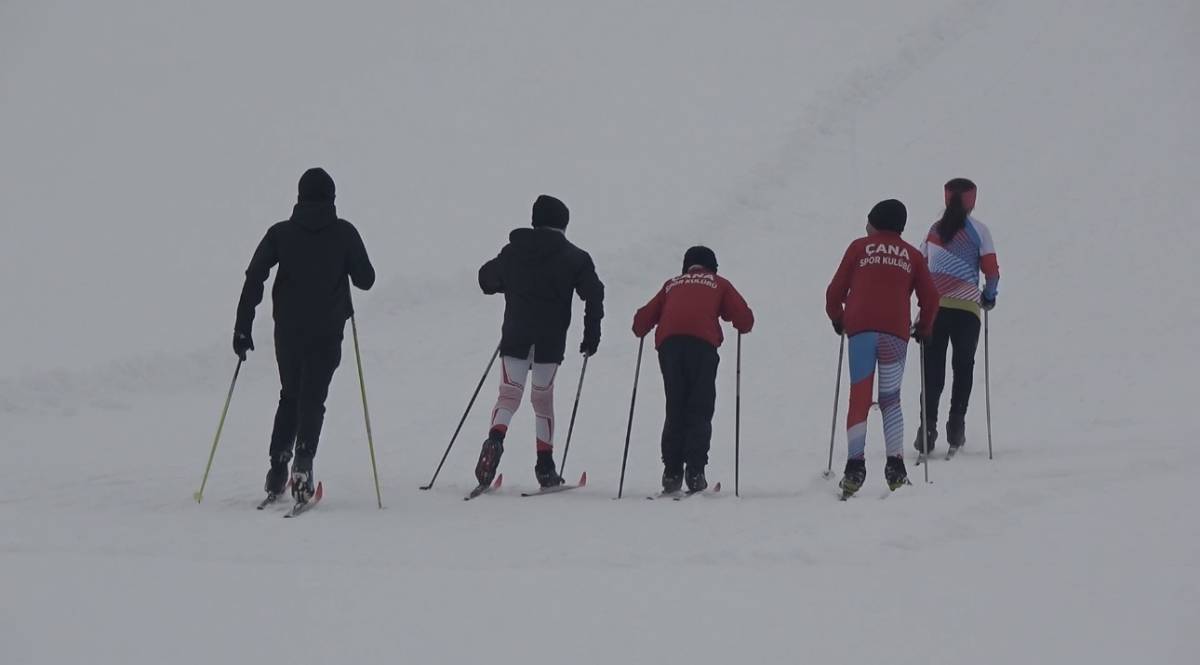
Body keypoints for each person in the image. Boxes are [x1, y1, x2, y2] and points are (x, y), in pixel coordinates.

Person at [233, 167, 375, 503]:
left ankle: (277, 469)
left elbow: (255, 275)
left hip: (288, 331)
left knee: (290, 395)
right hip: (327, 330)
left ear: (299, 197)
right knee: (313, 398)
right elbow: (365, 279)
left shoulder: (280, 233)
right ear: (332, 198)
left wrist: (243, 325)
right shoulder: (344, 233)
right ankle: (303, 466)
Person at [476, 195, 605, 489]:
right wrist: (591, 335)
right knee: (542, 401)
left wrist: (507, 283)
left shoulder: (513, 251)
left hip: (515, 335)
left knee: (508, 395)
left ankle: (495, 439)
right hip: (550, 340)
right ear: (562, 224)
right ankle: (545, 467)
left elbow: (486, 279)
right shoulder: (575, 257)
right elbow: (594, 293)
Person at [825, 199, 939, 496]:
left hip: (861, 329)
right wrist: (924, 327)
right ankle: (895, 467)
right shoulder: (913, 256)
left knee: (859, 397)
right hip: (895, 333)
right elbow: (931, 298)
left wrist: (839, 319)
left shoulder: (859, 248)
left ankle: (854, 467)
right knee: (891, 400)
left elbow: (834, 292)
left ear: (875, 223)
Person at [632, 246, 754, 493]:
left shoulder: (671, 284)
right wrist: (739, 324)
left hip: (669, 345)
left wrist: (642, 325)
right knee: (700, 406)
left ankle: (671, 471)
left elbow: (640, 322)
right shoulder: (719, 283)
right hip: (702, 346)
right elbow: (744, 319)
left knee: (675, 405)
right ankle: (695, 471)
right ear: (712, 266)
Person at [913, 178, 1000, 455]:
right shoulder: (980, 231)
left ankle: (927, 429)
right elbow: (992, 272)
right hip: (967, 312)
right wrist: (988, 297)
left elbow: (920, 265)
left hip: (935, 309)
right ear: (972, 201)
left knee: (932, 369)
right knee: (963, 368)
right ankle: (956, 427)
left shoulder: (934, 230)